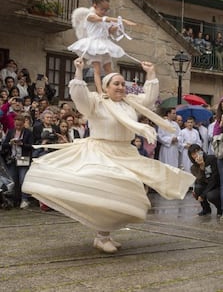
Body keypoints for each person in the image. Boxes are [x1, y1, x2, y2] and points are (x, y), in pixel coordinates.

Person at [23, 58, 194, 253]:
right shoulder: (96, 102)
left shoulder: (130, 104)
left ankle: (104, 234)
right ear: (106, 87)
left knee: (125, 192)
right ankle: (102, 236)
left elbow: (148, 98)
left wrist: (151, 74)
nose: (121, 87)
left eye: (123, 84)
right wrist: (78, 71)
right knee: (108, 189)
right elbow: (79, 97)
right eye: (116, 84)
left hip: (125, 152)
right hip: (100, 150)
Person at [69, 0, 137, 93]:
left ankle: (110, 90)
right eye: (102, 9)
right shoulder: (90, 16)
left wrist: (116, 27)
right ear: (95, 6)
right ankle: (100, 91)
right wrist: (122, 20)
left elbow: (108, 31)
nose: (104, 12)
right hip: (95, 44)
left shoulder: (103, 18)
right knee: (97, 70)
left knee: (108, 69)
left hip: (104, 44)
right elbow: (103, 19)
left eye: (106, 10)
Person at [1, 114, 33, 208]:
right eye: (16, 125)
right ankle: (13, 200)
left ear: (23, 124)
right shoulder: (10, 132)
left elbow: (31, 146)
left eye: (19, 125)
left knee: (23, 179)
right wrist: (10, 143)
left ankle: (24, 199)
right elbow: (4, 145)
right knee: (13, 180)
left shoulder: (28, 133)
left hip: (23, 159)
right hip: (12, 159)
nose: (18, 127)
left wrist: (21, 144)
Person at [188, 144, 221, 216]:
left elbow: (214, 179)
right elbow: (200, 181)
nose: (196, 155)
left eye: (198, 151)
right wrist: (201, 168)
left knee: (211, 195)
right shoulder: (193, 168)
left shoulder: (212, 159)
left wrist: (203, 195)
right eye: (193, 154)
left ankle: (220, 208)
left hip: (217, 185)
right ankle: (206, 208)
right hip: (207, 185)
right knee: (197, 189)